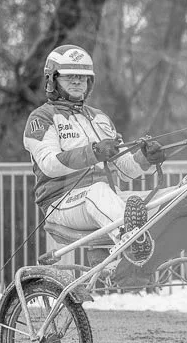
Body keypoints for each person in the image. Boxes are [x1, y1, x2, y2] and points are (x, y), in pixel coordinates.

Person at [24, 44, 167, 253]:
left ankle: (163, 248)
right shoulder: (41, 118)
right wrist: (93, 152)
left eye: (81, 77)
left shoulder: (100, 118)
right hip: (61, 202)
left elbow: (125, 172)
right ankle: (131, 244)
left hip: (107, 199)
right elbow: (49, 165)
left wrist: (145, 158)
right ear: (53, 80)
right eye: (69, 76)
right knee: (97, 192)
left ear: (89, 82)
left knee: (167, 198)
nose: (76, 81)